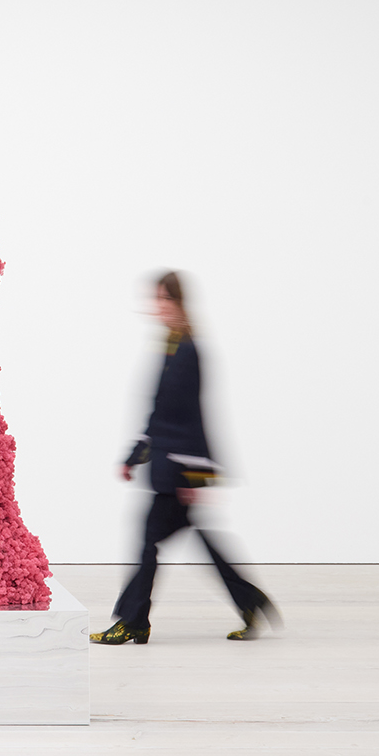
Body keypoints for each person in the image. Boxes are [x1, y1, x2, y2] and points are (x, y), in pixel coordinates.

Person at [93, 271, 277, 644]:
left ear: (179, 303)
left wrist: (194, 473)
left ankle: (133, 621)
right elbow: (159, 411)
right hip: (168, 467)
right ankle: (250, 601)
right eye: (156, 299)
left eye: (164, 299)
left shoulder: (189, 350)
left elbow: (191, 415)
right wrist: (135, 455)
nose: (157, 306)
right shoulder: (171, 346)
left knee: (149, 544)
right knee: (190, 541)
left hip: (176, 471)